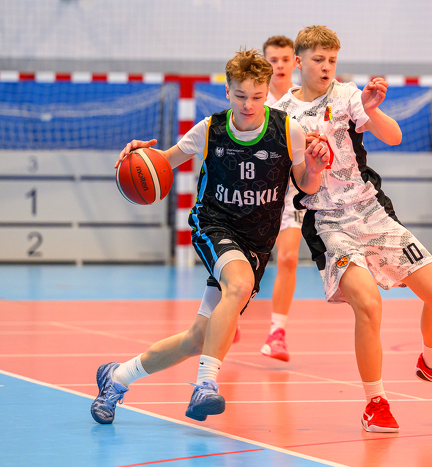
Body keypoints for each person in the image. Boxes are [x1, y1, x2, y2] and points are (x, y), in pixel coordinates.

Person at [90, 48, 330, 424]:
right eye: (240, 95)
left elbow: (305, 185)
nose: (248, 104)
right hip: (214, 225)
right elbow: (164, 161)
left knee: (197, 339)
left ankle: (116, 377)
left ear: (267, 91)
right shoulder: (210, 129)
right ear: (227, 91)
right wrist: (140, 156)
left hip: (257, 242)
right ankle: (205, 384)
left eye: (256, 96)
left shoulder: (288, 130)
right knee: (238, 285)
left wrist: (313, 170)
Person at [274, 25, 432, 433]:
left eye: (332, 60)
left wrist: (373, 109)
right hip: (328, 222)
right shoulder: (283, 115)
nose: (327, 67)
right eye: (318, 60)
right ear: (299, 61)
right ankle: (376, 402)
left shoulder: (349, 95)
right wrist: (313, 165)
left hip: (371, 212)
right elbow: (303, 185)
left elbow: (394, 135)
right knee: (369, 305)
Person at [259, 35, 299, 361]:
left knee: (287, 259)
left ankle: (277, 333)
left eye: (285, 59)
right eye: (273, 59)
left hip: (293, 194)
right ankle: (230, 313)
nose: (280, 65)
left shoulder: (303, 98)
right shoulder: (255, 99)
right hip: (258, 192)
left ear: (295, 61)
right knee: (249, 262)